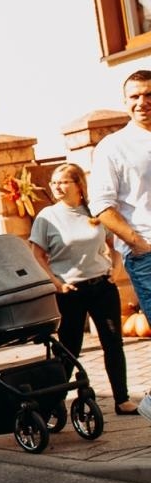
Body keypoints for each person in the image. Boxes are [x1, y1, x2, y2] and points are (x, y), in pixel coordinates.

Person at [29, 163, 135, 415]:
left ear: (79, 185)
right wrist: (56, 283)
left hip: (102, 288)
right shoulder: (47, 217)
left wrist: (115, 270)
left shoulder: (95, 213)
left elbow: (113, 245)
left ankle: (122, 399)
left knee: (113, 342)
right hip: (69, 292)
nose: (57, 187)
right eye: (54, 182)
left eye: (64, 181)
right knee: (69, 347)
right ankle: (54, 402)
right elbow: (37, 255)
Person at [89, 69, 151, 418]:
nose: (143, 102)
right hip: (147, 255)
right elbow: (102, 207)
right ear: (126, 102)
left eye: (149, 95)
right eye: (136, 96)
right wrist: (139, 243)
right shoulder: (114, 146)